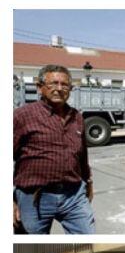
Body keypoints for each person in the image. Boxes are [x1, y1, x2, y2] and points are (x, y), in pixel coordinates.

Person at [13, 65, 95, 234]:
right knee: (33, 250)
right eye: (53, 83)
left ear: (70, 89)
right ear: (39, 87)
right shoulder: (22, 116)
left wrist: (88, 182)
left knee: (87, 238)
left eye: (65, 85)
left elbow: (82, 156)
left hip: (73, 195)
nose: (59, 89)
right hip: (34, 197)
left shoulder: (76, 117)